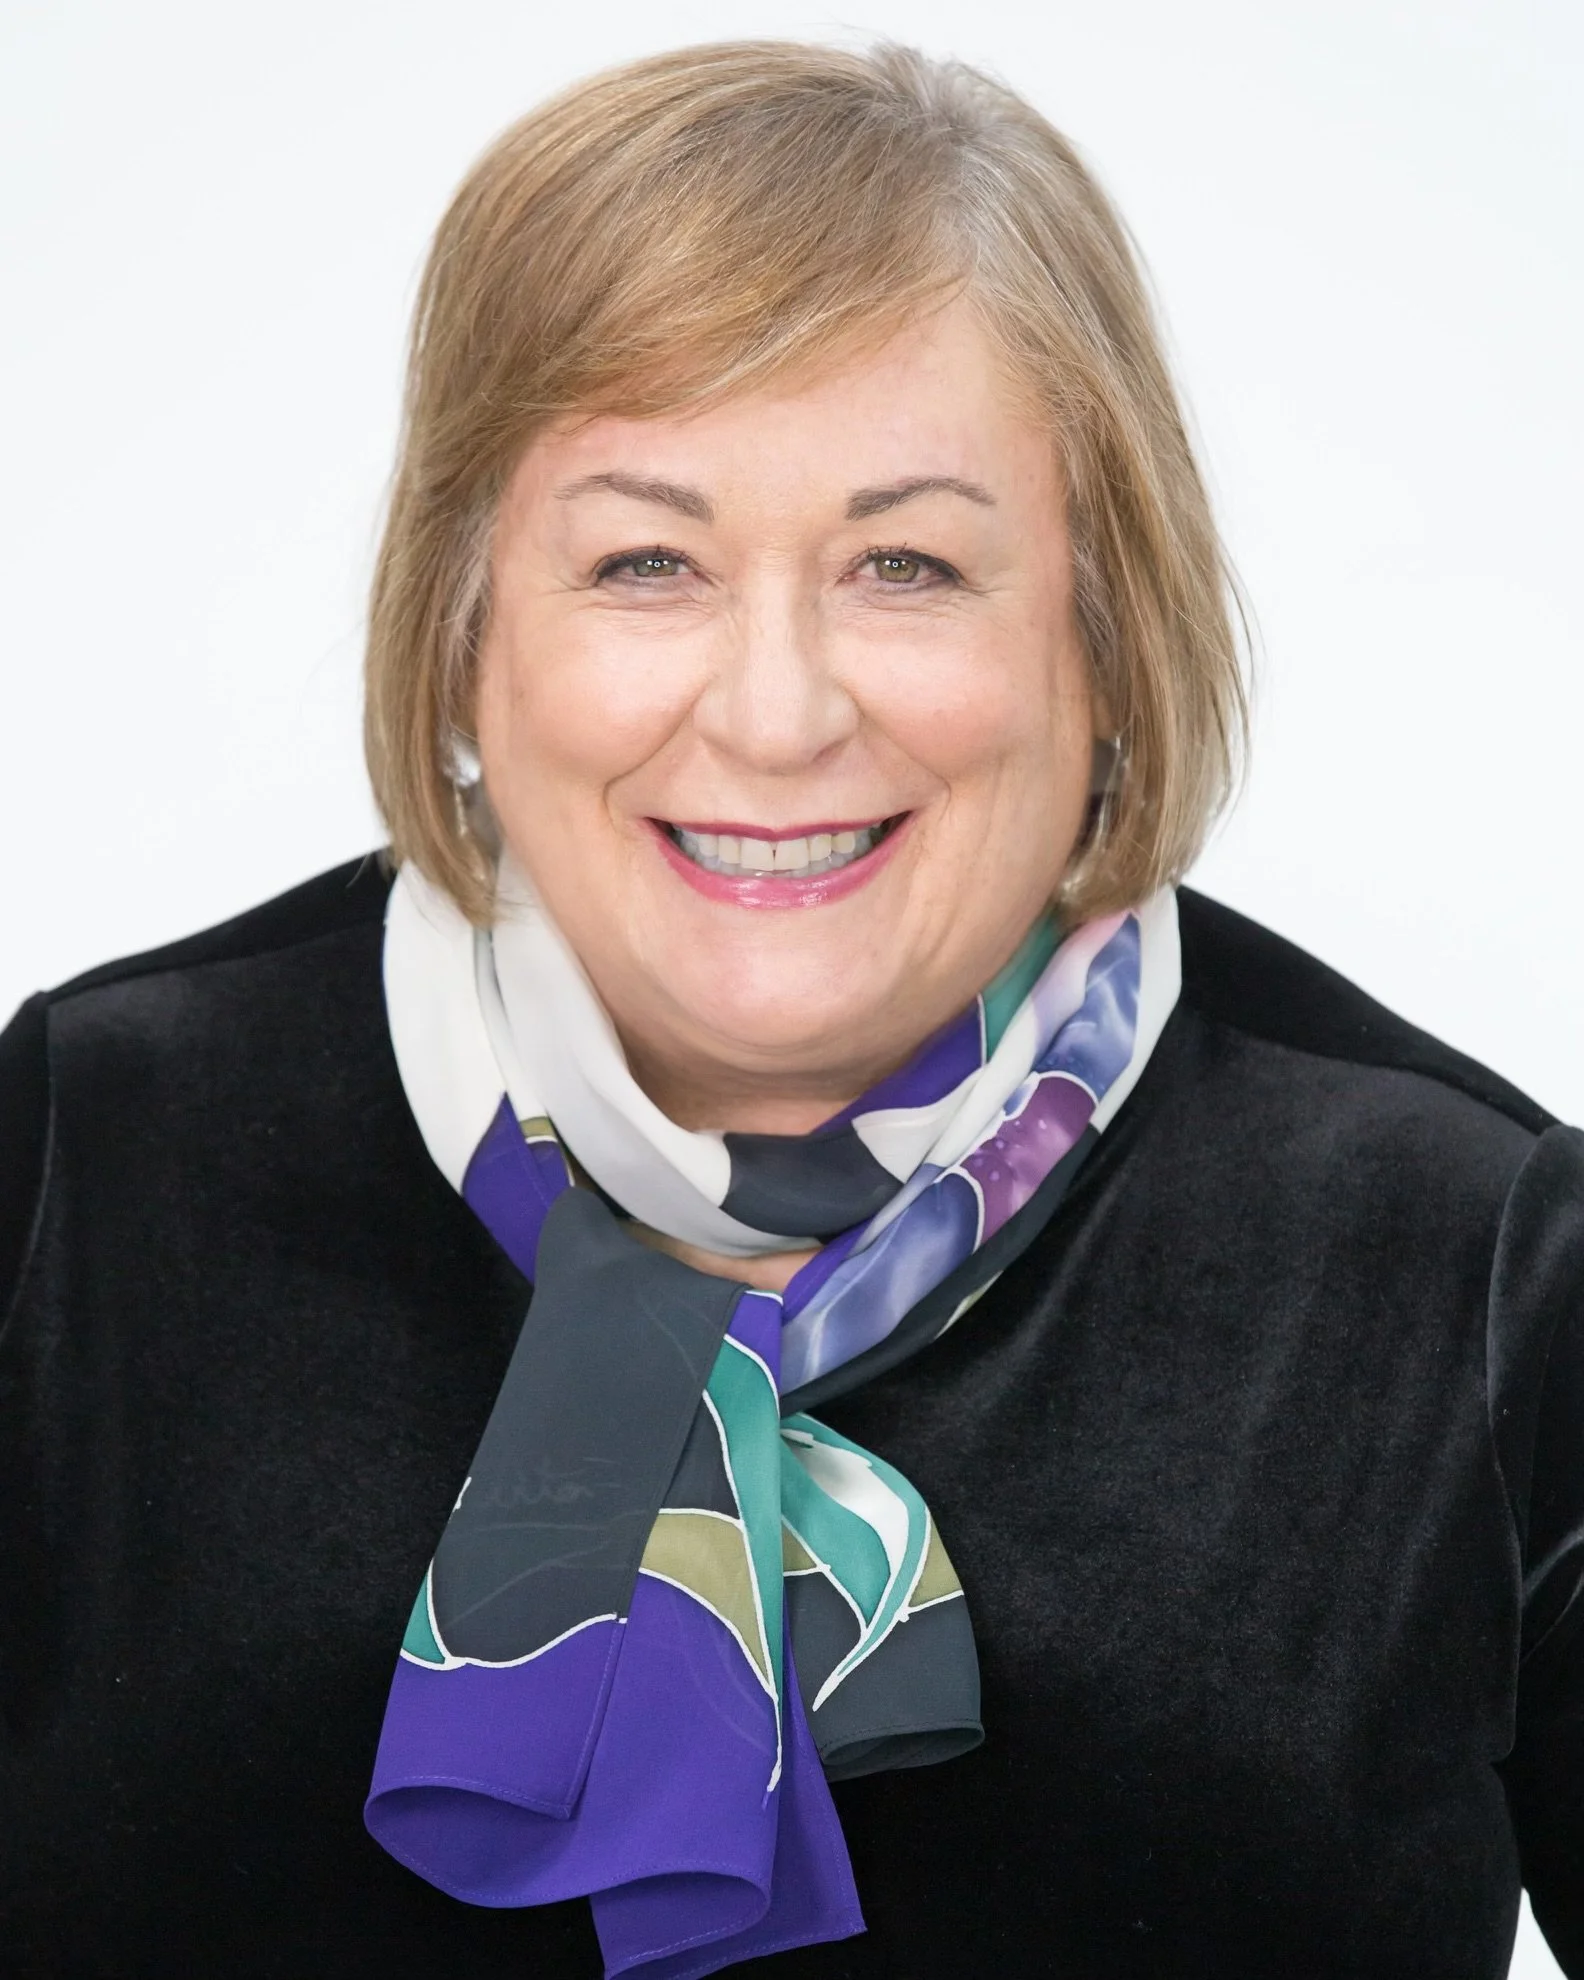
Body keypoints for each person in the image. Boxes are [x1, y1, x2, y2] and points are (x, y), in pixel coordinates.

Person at [0, 36, 1579, 1980]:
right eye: (646, 560)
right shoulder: (76, 1159)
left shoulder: (1471, 1256)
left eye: (907, 564)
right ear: (468, 629)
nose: (773, 709)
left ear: (1102, 636)